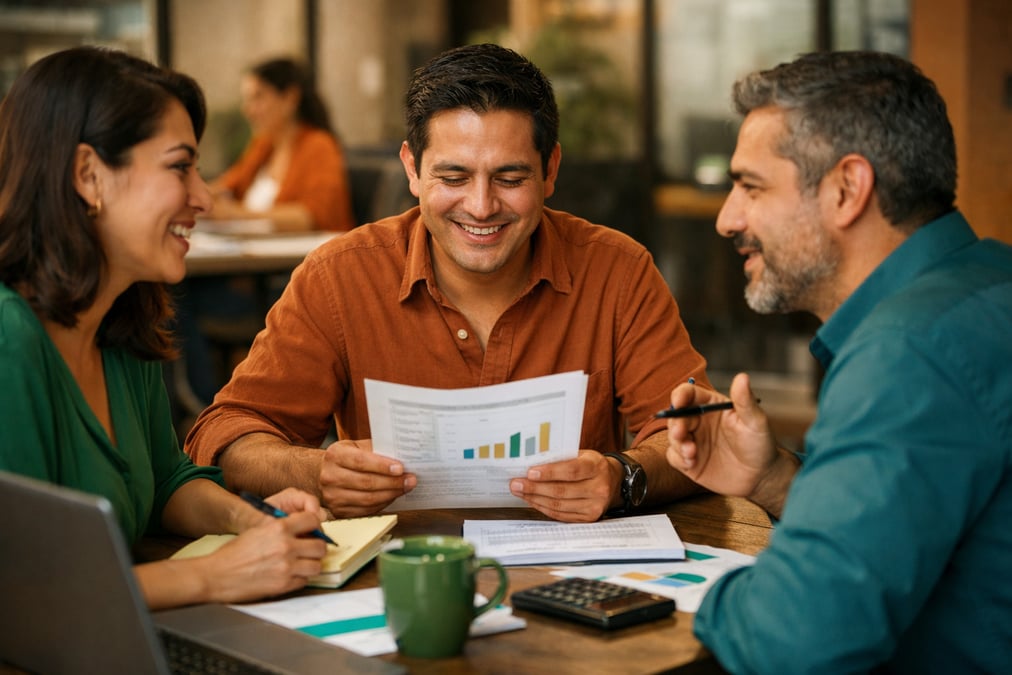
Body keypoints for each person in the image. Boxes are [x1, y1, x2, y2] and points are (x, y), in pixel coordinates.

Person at [185, 43, 709, 523]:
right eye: (453, 178)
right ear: (412, 170)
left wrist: (622, 478)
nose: (481, 207)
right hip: (391, 582)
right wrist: (315, 471)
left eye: (510, 178)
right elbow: (225, 434)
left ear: (550, 171)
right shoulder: (340, 276)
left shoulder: (617, 270)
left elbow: (695, 436)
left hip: (576, 579)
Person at [664, 51, 1012, 672]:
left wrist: (695, 605)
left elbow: (796, 639)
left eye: (750, 187)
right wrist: (774, 478)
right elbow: (917, 527)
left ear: (847, 189)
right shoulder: (990, 283)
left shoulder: (907, 353)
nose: (726, 219)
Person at [0, 46, 330, 611]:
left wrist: (250, 519)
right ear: (88, 174)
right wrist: (214, 576)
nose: (202, 196)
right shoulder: (11, 341)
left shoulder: (121, 324)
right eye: (180, 167)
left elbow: (166, 480)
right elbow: (22, 596)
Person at [206, 56, 355, 232]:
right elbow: (227, 185)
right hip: (260, 251)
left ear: (290, 98)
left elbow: (312, 218)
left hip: (303, 254)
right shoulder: (264, 145)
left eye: (258, 98)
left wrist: (235, 213)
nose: (247, 110)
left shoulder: (320, 145)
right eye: (246, 100)